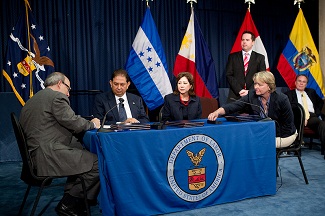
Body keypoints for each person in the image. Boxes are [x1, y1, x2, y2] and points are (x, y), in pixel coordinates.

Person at [19, 72, 100, 216]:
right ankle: (69, 203)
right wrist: (92, 124)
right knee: (97, 163)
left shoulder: (32, 100)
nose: (68, 94)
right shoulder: (56, 97)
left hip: (35, 157)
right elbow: (73, 122)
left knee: (78, 152)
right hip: (48, 156)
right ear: (59, 84)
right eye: (68, 89)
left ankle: (76, 202)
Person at [208, 71, 297, 148]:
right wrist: (218, 111)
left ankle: (268, 167)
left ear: (269, 86)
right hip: (262, 133)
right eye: (255, 83)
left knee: (257, 144)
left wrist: (265, 134)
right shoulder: (252, 95)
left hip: (284, 135)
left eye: (260, 84)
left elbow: (288, 127)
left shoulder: (282, 99)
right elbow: (235, 105)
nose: (255, 87)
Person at [285, 74, 325, 154]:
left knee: (322, 124)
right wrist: (303, 116)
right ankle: (297, 147)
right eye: (299, 81)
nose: (301, 83)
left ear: (306, 84)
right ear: (295, 82)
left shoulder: (311, 92)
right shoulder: (289, 94)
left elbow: (320, 102)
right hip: (298, 115)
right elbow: (289, 107)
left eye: (304, 82)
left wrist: (317, 113)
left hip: (311, 116)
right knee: (298, 122)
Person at [226, 30, 266, 102]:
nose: (244, 42)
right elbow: (229, 75)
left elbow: (261, 77)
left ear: (253, 42)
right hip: (235, 95)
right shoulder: (232, 57)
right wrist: (239, 90)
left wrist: (250, 91)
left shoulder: (260, 58)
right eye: (243, 40)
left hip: (254, 95)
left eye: (247, 40)